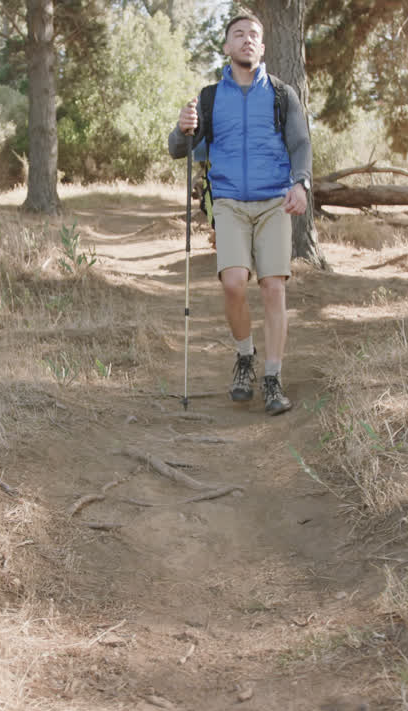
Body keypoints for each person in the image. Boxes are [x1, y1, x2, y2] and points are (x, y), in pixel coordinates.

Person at [167, 13, 311, 416]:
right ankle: (245, 357)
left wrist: (301, 183)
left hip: (274, 202)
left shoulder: (282, 94)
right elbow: (179, 149)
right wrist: (181, 128)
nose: (247, 40)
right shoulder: (210, 98)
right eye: (239, 34)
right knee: (233, 283)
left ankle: (273, 377)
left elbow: (301, 144)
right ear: (227, 46)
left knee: (273, 287)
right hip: (228, 200)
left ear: (262, 47)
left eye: (254, 35)